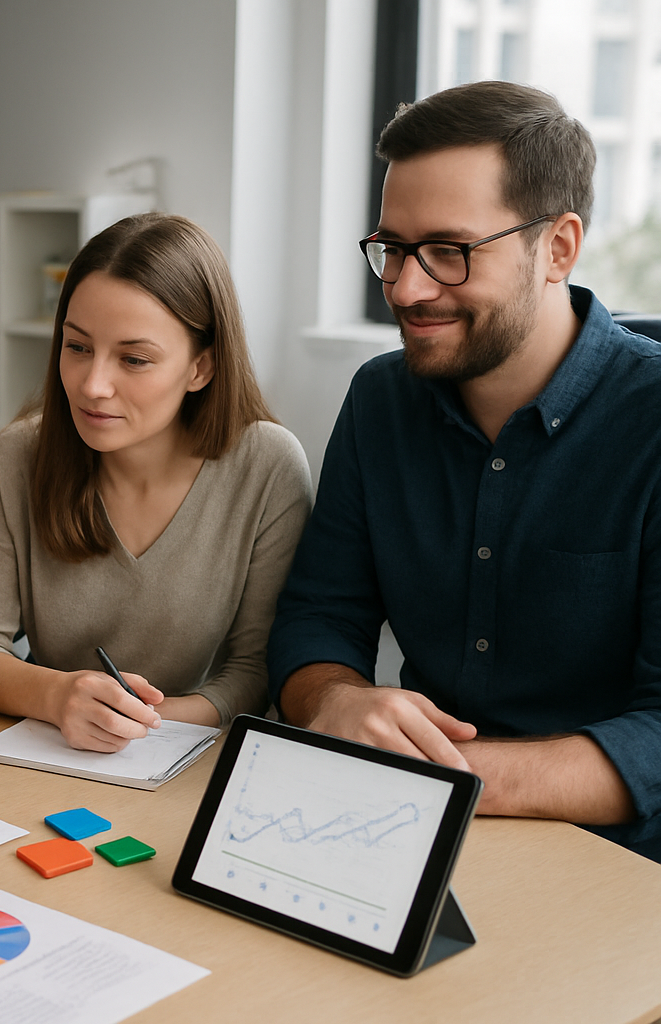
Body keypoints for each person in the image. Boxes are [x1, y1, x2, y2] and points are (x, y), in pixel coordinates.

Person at [268, 81, 661, 861]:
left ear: (558, 247)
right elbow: (318, 616)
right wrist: (339, 701)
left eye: (449, 251)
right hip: (414, 828)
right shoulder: (380, 399)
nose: (407, 288)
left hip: (611, 865)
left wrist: (441, 776)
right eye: (393, 249)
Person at [0, 213, 312, 752]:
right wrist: (56, 696)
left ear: (201, 368)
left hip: (197, 760)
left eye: (134, 359)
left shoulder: (268, 466)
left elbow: (258, 670)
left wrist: (142, 726)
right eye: (76, 347)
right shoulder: (15, 458)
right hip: (48, 747)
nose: (93, 385)